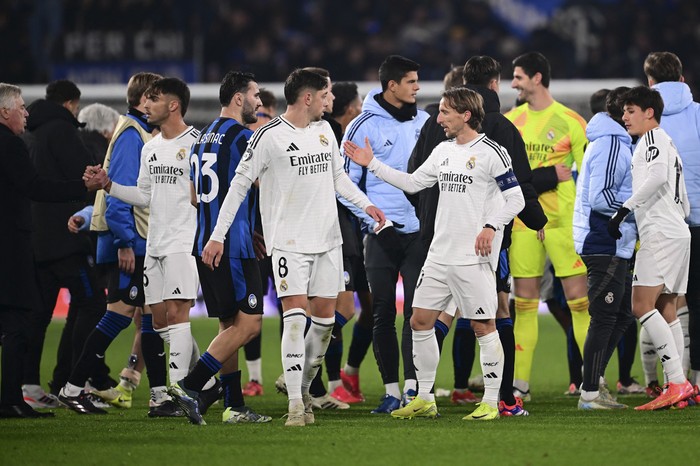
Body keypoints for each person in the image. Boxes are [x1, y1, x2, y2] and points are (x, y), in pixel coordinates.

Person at [170, 69, 385, 427]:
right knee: (295, 319)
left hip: (328, 242)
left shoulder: (325, 132)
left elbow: (338, 178)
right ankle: (297, 406)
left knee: (326, 323)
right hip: (288, 244)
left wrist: (365, 205)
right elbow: (238, 185)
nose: (331, 100)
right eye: (326, 94)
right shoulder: (267, 137)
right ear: (308, 97)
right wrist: (218, 234)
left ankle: (296, 385)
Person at [344, 86, 525, 420]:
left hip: (472, 257)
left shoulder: (492, 152)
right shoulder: (443, 151)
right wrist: (373, 165)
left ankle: (489, 403)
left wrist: (490, 225)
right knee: (419, 320)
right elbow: (413, 182)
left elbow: (516, 199)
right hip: (439, 254)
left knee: (483, 326)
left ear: (466, 115)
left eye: (445, 112)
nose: (438, 118)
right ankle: (425, 397)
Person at [408, 56, 547, 416]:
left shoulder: (433, 130)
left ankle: (446, 388)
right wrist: (535, 220)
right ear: (494, 84)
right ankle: (501, 398)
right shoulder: (501, 128)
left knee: (445, 315)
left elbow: (414, 177)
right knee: (494, 313)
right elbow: (523, 185)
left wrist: (429, 217)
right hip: (474, 243)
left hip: (439, 235)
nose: (440, 118)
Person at [58, 72, 183, 417]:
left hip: (141, 242)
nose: (158, 103)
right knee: (120, 314)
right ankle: (71, 388)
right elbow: (117, 197)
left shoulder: (139, 133)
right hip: (132, 245)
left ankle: (159, 396)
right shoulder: (132, 135)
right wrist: (126, 242)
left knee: (150, 318)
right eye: (155, 97)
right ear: (145, 100)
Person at [96, 77, 219, 405]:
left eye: (153, 99)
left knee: (177, 316)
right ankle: (205, 385)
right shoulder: (150, 147)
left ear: (173, 104)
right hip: (154, 245)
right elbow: (143, 195)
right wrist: (109, 186)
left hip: (183, 244)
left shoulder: (197, 143)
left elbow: (208, 196)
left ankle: (180, 393)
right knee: (160, 320)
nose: (146, 105)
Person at [0, 83, 104, 418]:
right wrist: (82, 187)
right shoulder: (16, 143)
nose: (25, 113)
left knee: (33, 316)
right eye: (20, 107)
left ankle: (26, 388)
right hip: (43, 242)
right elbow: (35, 187)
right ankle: (60, 385)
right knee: (26, 319)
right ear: (5, 111)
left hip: (32, 244)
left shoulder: (27, 138)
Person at [175, 70, 271, 424]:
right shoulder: (244, 138)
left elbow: (193, 196)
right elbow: (261, 184)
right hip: (231, 247)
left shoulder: (200, 138)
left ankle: (234, 405)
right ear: (237, 99)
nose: (259, 102)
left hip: (205, 243)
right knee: (250, 325)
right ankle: (192, 385)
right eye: (255, 94)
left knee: (228, 325)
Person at [341, 55, 429, 413]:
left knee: (416, 312)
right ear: (392, 86)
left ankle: (412, 389)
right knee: (381, 313)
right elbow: (344, 186)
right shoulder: (362, 126)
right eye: (411, 81)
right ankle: (391, 389)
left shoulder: (426, 122)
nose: (418, 87)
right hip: (380, 235)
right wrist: (374, 222)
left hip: (419, 233)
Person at [505, 52, 590, 399]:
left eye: (518, 77)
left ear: (537, 78)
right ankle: (520, 385)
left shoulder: (571, 121)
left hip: (562, 223)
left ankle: (592, 385)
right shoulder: (511, 121)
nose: (513, 84)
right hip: (524, 223)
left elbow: (588, 178)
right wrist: (545, 177)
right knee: (524, 305)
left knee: (580, 303)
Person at [609, 86, 694, 410]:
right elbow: (683, 198)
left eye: (631, 111)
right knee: (667, 308)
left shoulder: (653, 140)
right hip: (675, 232)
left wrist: (624, 209)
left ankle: (676, 382)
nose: (625, 116)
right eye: (624, 111)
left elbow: (657, 177)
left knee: (642, 305)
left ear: (649, 113)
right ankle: (681, 387)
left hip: (660, 233)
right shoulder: (666, 141)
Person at [573, 86, 636, 409]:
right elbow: (601, 198)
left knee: (623, 314)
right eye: (630, 110)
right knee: (605, 316)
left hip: (614, 241)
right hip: (603, 239)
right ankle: (590, 392)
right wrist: (637, 208)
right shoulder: (612, 143)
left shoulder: (615, 141)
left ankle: (593, 379)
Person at [644, 51, 700, 399]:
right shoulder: (698, 114)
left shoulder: (647, 119)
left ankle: (669, 380)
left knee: (660, 301)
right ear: (681, 78)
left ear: (650, 81)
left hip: (663, 223)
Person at [242, 87, 278, 396]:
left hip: (280, 240)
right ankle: (254, 378)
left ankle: (288, 373)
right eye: (258, 114)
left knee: (292, 309)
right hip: (251, 242)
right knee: (250, 312)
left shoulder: (279, 146)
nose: (260, 120)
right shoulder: (242, 148)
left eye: (265, 115)